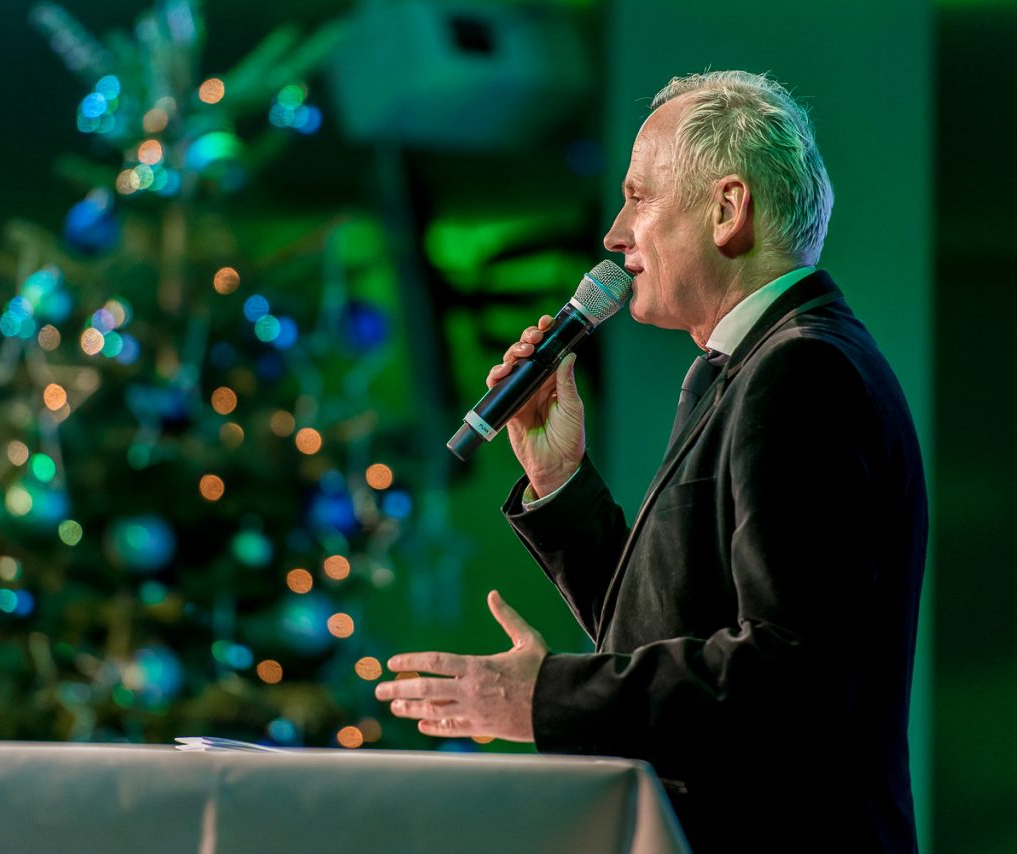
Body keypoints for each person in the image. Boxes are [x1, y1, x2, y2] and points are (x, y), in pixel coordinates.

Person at [374, 70, 927, 851]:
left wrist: (542, 698)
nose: (614, 232)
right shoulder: (754, 367)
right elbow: (672, 628)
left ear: (727, 210)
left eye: (639, 197)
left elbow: (788, 676)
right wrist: (559, 481)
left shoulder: (803, 373)